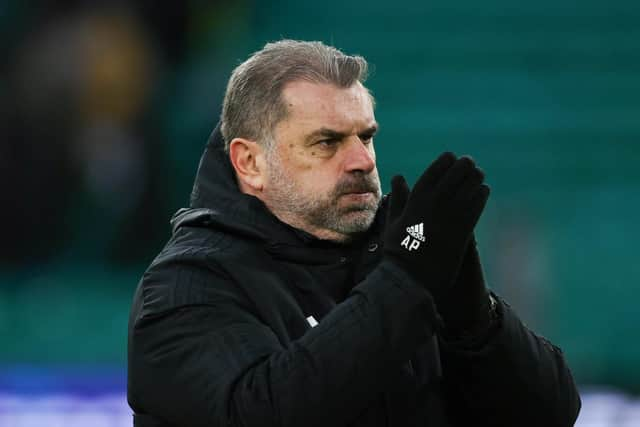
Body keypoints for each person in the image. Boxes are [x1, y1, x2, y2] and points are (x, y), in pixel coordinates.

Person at [127, 40, 581, 427]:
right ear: (250, 163)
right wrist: (405, 283)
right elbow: (262, 411)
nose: (362, 161)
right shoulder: (187, 287)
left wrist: (473, 316)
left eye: (366, 137)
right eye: (327, 142)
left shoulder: (397, 255)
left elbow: (551, 413)